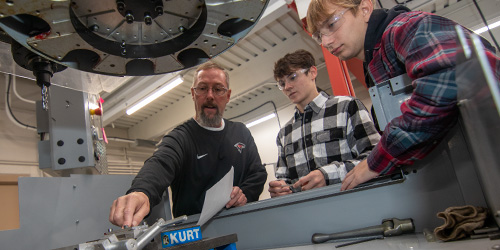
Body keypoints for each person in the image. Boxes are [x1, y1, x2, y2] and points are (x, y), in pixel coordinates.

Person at [306, 0, 500, 191]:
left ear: (365, 9)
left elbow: (447, 82)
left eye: (332, 24)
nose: (326, 42)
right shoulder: (375, 61)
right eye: (319, 36)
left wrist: (378, 160)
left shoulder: (407, 27)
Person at [109, 62, 268, 227]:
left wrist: (244, 195)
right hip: (195, 234)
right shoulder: (180, 138)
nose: (210, 96)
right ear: (193, 94)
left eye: (218, 89)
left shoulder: (241, 132)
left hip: (239, 225)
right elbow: (160, 163)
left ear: (227, 96)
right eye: (202, 88)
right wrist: (141, 192)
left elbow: (257, 174)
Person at [268, 49, 380, 197]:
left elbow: (375, 157)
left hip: (351, 202)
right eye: (282, 83)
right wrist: (279, 189)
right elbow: (283, 178)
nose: (287, 87)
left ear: (312, 72)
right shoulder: (284, 133)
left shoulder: (347, 107)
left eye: (293, 77)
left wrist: (328, 175)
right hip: (306, 211)